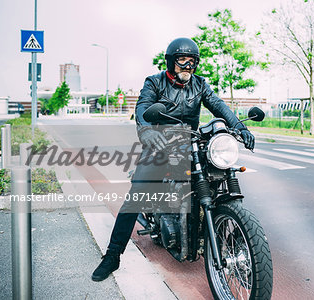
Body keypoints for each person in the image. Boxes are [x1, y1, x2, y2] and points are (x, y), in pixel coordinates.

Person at [92, 37, 255, 282]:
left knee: (218, 175)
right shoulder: (154, 82)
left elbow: (219, 106)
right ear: (171, 61)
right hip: (159, 145)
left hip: (191, 144)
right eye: (182, 60)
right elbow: (142, 109)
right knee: (136, 197)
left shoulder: (200, 85)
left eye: (192, 62)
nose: (187, 66)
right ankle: (112, 256)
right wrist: (147, 130)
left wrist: (239, 127)